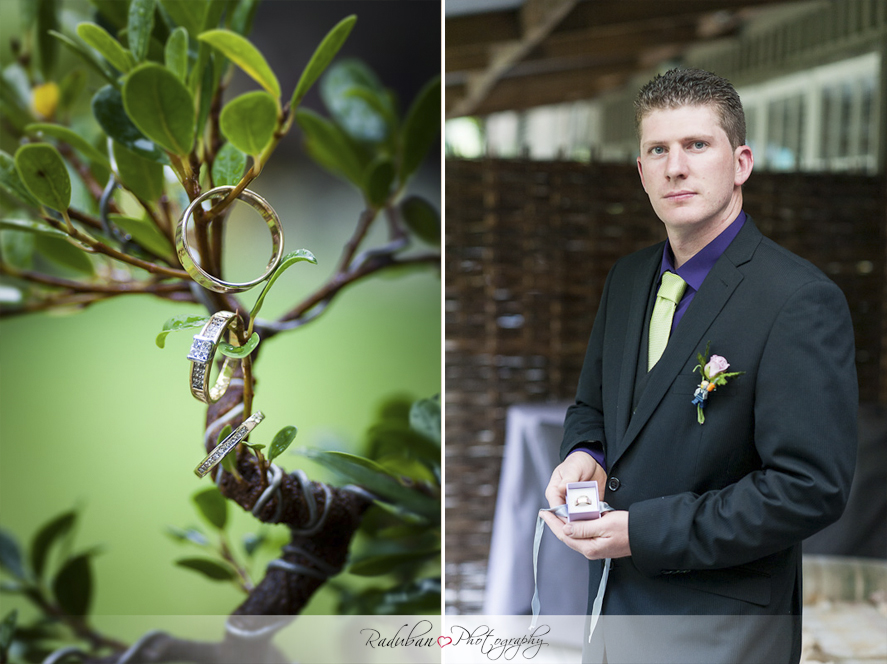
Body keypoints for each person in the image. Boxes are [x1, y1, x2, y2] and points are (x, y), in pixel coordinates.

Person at [540, 68, 858, 664]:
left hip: (722, 631)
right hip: (613, 620)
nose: (675, 167)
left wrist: (644, 531)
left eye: (696, 145)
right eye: (657, 149)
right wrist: (587, 453)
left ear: (740, 163)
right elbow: (594, 408)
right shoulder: (628, 279)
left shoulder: (797, 300)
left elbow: (809, 489)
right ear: (640, 172)